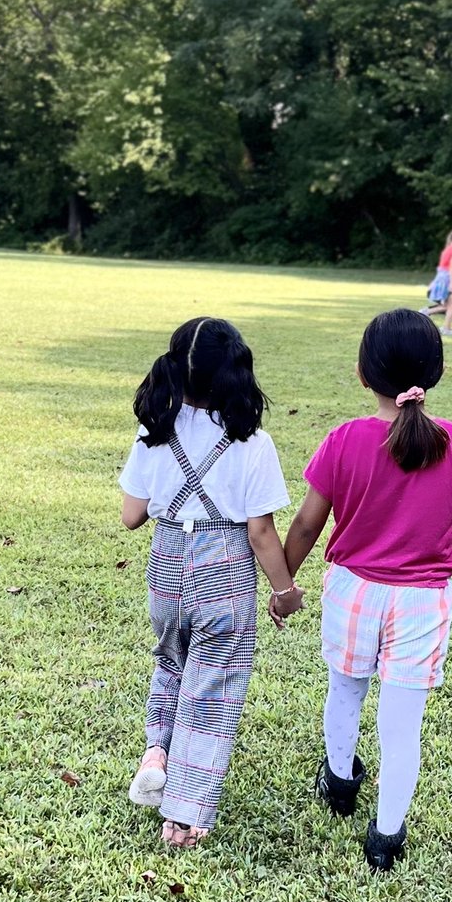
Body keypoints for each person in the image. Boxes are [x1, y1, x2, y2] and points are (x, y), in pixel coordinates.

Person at [276, 309, 452, 872]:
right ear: (436, 372)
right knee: (403, 723)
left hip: (352, 592)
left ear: (362, 373)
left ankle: (342, 781)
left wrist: (285, 584)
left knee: (345, 691)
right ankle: (386, 836)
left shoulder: (345, 439)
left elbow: (305, 525)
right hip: (422, 601)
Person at [119, 318, 303, 848]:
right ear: (236, 373)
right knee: (214, 686)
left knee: (171, 658)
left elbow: (132, 515)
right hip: (224, 565)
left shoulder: (155, 430)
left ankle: (158, 751)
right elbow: (262, 532)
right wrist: (284, 591)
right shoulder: (252, 441)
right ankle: (184, 815)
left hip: (167, 561)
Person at [420, 227, 452, 337]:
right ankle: (445, 328)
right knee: (451, 306)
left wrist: (434, 281)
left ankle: (427, 313)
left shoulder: (447, 249)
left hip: (441, 278)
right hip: (447, 280)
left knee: (449, 306)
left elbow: (441, 267)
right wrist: (451, 284)